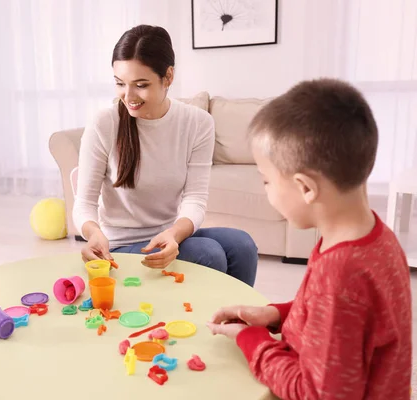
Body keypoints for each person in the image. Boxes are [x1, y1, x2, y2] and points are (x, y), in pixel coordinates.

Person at [206, 78, 411, 399]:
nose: (266, 191)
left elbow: (316, 392)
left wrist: (251, 341)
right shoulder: (377, 237)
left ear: (305, 188)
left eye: (266, 181)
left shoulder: (340, 274)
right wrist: (276, 315)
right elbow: (340, 319)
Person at [72, 24, 258, 286]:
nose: (129, 96)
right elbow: (84, 204)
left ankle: (237, 323)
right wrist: (93, 233)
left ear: (168, 77)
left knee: (242, 245)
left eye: (141, 85)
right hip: (120, 245)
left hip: (167, 233)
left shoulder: (197, 122)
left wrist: (174, 234)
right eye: (120, 84)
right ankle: (198, 322)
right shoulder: (105, 123)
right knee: (208, 254)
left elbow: (195, 198)